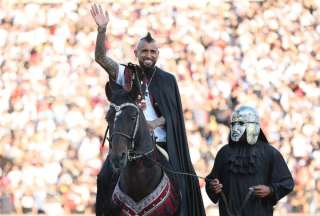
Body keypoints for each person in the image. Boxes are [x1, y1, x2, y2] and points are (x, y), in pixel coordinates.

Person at [90, 4, 205, 216]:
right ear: (136, 53)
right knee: (104, 176)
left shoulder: (167, 80)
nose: (148, 55)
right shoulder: (125, 73)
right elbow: (100, 58)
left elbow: (173, 117)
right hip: (126, 143)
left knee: (186, 178)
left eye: (153, 51)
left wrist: (154, 123)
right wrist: (102, 30)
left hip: (160, 143)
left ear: (158, 54)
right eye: (144, 51)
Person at [205, 106, 294, 216]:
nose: (236, 127)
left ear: (252, 126)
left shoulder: (269, 153)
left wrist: (270, 190)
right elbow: (212, 180)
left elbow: (287, 182)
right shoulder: (224, 152)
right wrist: (214, 186)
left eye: (241, 124)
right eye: (234, 124)